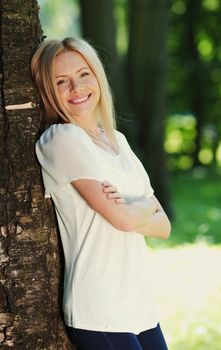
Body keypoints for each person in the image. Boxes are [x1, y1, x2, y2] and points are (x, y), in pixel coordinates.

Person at [31, 37, 171, 350]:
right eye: (61, 82)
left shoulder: (117, 140)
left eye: (83, 75)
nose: (76, 88)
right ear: (49, 91)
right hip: (99, 309)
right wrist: (142, 209)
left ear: (97, 76)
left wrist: (131, 210)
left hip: (140, 305)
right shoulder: (62, 139)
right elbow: (128, 219)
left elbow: (164, 227)